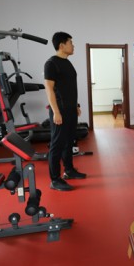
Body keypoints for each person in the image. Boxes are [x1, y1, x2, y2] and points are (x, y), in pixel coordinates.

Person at [44, 31, 86, 192]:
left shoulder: (67, 63)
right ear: (62, 45)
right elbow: (49, 89)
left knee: (69, 141)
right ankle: (55, 180)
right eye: (70, 43)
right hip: (59, 110)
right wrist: (56, 111)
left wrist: (76, 105)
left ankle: (69, 170)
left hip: (70, 110)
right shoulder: (51, 63)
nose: (73, 45)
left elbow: (68, 88)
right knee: (57, 144)